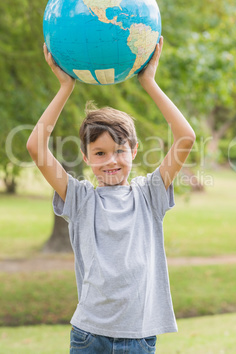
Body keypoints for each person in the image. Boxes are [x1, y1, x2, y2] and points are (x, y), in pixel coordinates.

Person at [27, 36, 195, 354]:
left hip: (139, 335)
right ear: (86, 157)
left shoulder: (149, 194)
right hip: (90, 335)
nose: (112, 161)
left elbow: (185, 137)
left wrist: (149, 81)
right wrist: (65, 87)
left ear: (133, 150)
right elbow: (36, 148)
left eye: (119, 150)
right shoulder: (80, 200)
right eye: (100, 153)